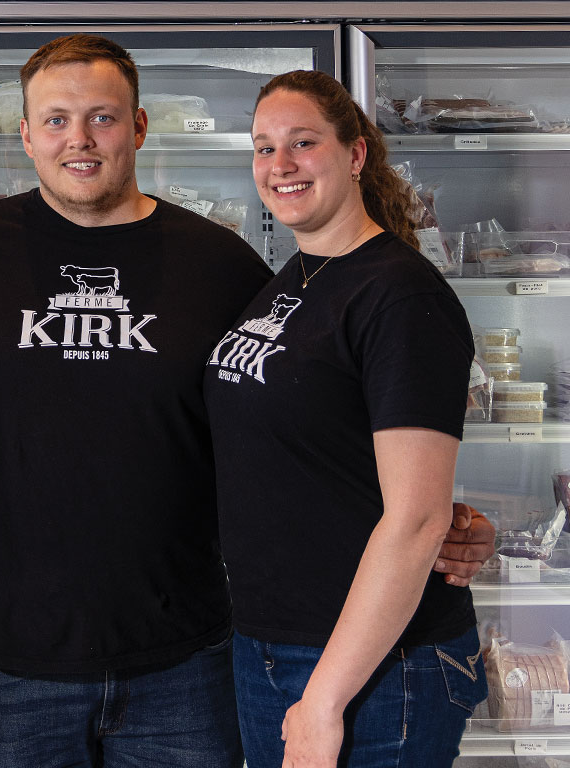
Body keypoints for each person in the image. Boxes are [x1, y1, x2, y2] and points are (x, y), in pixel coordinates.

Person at [0, 35, 493, 768]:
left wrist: (437, 520)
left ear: (139, 127)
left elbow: (319, 425)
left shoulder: (225, 265)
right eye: (57, 120)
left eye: (102, 117)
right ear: (27, 134)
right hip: (15, 660)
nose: (80, 139)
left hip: (187, 660)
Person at [204, 69, 489, 768]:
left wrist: (325, 700)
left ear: (356, 154)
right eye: (264, 148)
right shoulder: (292, 280)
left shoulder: (397, 294)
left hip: (372, 666)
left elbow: (417, 519)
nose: (281, 166)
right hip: (273, 640)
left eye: (303, 143)